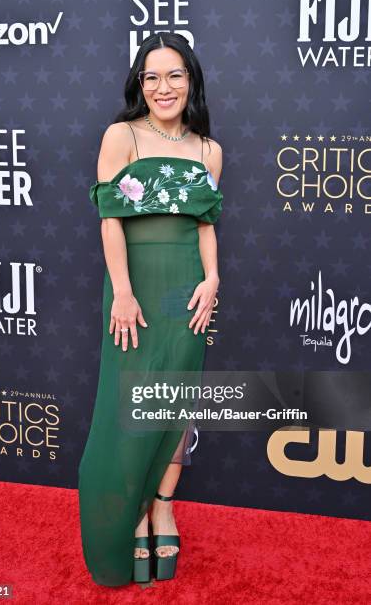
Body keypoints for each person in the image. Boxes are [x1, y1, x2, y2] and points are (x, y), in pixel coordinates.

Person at [78, 32, 224, 587]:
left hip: (185, 291)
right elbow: (110, 219)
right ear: (141, 85)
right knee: (129, 409)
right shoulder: (122, 136)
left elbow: (206, 224)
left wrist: (213, 279)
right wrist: (121, 290)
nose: (164, 87)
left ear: (192, 81)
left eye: (175, 75)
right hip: (133, 293)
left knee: (175, 405)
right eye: (152, 77)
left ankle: (162, 506)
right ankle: (130, 513)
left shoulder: (209, 150)